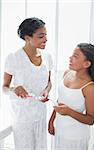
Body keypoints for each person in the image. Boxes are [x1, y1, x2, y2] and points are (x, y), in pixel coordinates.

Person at [2, 17, 53, 150]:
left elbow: (49, 82)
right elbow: (4, 88)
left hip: (40, 115)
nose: (46, 39)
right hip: (22, 118)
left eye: (46, 35)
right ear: (27, 38)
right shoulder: (14, 58)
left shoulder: (47, 57)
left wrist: (47, 91)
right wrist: (14, 89)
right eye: (41, 36)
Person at [48, 43, 94, 150]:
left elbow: (90, 120)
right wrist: (51, 121)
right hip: (60, 130)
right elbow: (60, 100)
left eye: (75, 56)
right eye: (72, 55)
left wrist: (69, 112)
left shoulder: (90, 88)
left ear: (86, 64)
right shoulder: (67, 73)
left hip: (75, 137)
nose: (70, 58)